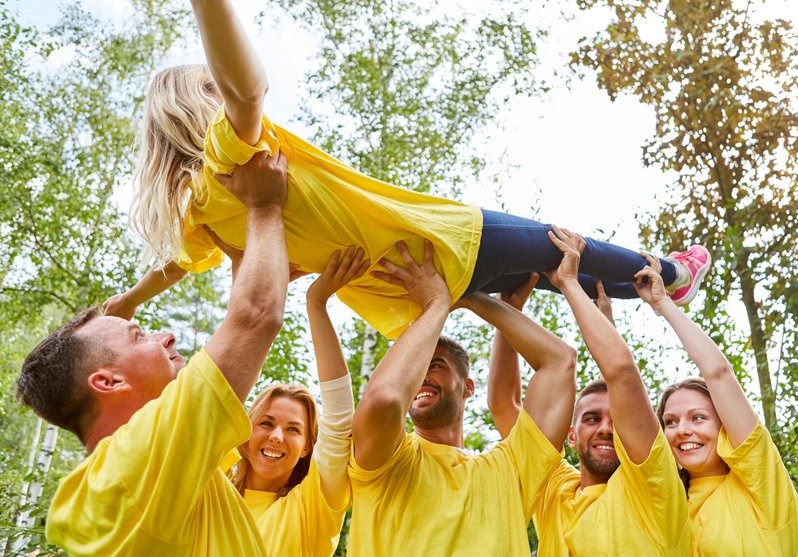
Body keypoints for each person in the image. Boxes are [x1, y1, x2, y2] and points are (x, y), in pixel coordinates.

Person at [104, 0, 711, 339]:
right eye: (213, 89)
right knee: (562, 245)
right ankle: (667, 273)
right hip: (442, 237)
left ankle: (633, 288)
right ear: (199, 105)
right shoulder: (231, 157)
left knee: (555, 276)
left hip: (416, 290)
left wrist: (126, 305)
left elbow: (173, 269)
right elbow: (248, 90)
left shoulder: (202, 214)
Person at [15, 151, 289, 555]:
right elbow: (255, 315)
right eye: (140, 336)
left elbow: (242, 333)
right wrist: (264, 205)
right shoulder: (136, 464)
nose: (167, 337)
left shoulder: (158, 469)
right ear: (108, 381)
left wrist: (249, 253)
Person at [346, 239, 575, 556]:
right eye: (417, 369)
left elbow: (560, 361)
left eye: (436, 366)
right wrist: (436, 304)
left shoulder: (508, 470)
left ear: (467, 387)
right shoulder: (389, 458)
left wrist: (472, 298)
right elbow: (384, 399)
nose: (422, 376)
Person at [488, 226, 691, 555]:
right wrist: (510, 308)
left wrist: (569, 282)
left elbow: (621, 373)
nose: (606, 429)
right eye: (592, 419)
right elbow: (504, 405)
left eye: (615, 420)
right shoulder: (555, 489)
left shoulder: (651, 486)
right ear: (571, 435)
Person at [640, 255, 798, 555]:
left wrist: (663, 304)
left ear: (725, 427)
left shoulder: (763, 486)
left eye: (698, 417)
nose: (683, 430)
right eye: (671, 422)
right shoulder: (670, 509)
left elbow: (718, 375)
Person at [226, 247, 364, 556]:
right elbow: (220, 384)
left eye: (293, 429)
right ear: (244, 430)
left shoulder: (313, 505)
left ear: (306, 447)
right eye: (266, 422)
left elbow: (341, 418)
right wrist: (244, 272)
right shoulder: (213, 493)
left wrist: (316, 303)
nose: (276, 436)